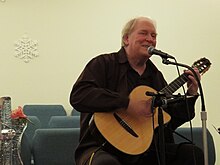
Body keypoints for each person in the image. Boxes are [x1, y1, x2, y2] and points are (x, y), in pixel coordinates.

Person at [69, 16, 204, 165]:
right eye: (143, 33)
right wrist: (126, 103)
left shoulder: (155, 76)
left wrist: (191, 93)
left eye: (153, 36)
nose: (150, 39)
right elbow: (79, 96)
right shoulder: (104, 64)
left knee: (192, 153)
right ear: (126, 39)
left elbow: (169, 120)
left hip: (145, 149)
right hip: (101, 146)